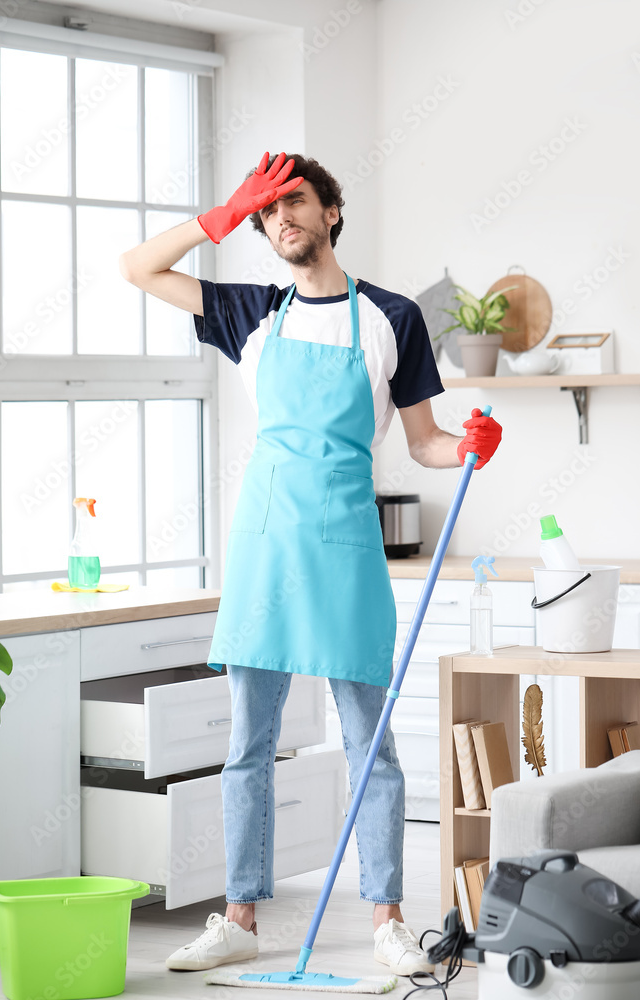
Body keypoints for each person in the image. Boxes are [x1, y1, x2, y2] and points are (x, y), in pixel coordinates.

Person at [119, 152, 502, 977]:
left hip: (345, 550)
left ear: (330, 212)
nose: (280, 216)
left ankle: (387, 922)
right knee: (248, 747)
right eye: (267, 210)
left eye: (293, 200)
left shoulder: (391, 318)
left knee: (372, 748)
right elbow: (138, 267)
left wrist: (469, 446)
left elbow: (424, 442)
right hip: (265, 548)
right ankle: (240, 918)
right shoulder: (250, 312)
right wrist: (220, 216)